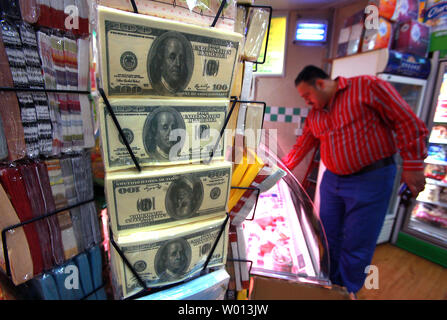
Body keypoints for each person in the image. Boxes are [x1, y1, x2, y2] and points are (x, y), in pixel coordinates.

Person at [282, 65, 428, 299]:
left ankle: (346, 291)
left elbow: (406, 122)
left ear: (320, 83)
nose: (307, 102)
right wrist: (280, 170)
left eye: (307, 96)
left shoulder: (367, 86)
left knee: (357, 240)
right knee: (328, 235)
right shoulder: (316, 113)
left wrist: (413, 166)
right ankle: (329, 282)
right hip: (332, 180)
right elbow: (303, 145)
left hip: (370, 178)